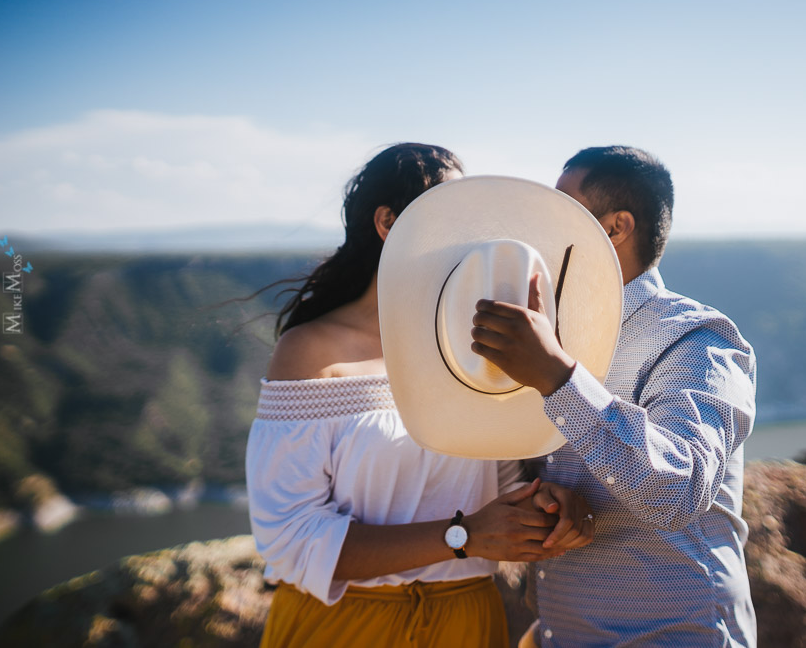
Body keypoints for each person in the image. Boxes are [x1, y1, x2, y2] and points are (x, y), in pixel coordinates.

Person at [245, 143, 593, 648]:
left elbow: (499, 488)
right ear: (387, 222)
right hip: (344, 627)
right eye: (449, 214)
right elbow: (289, 539)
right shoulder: (312, 353)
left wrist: (551, 504)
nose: (470, 234)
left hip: (468, 621)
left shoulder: (477, 348)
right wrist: (463, 536)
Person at [471, 146, 757, 646]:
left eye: (562, 209)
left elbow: (680, 491)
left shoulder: (697, 339)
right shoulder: (553, 335)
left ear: (615, 227)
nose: (541, 228)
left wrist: (557, 377)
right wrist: (553, 502)